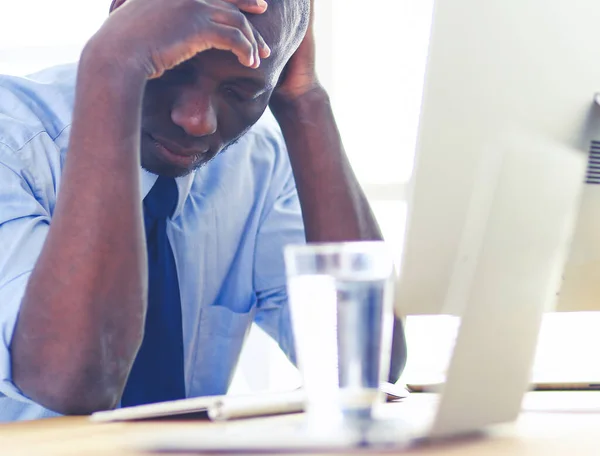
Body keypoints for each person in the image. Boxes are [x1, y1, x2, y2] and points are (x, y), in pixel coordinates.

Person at [0, 0, 407, 421]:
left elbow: (363, 366)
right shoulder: (11, 142)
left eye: (241, 92)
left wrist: (305, 99)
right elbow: (71, 384)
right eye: (173, 69)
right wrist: (111, 64)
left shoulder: (260, 163)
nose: (197, 120)